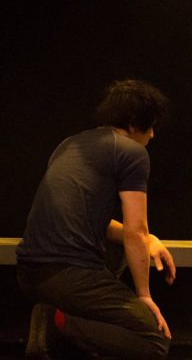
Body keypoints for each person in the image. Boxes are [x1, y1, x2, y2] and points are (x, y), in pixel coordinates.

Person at [17, 79, 176, 360]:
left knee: (117, 251)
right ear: (133, 122)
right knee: (154, 339)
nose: (152, 134)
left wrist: (149, 240)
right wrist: (144, 295)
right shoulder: (132, 152)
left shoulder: (70, 144)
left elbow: (91, 221)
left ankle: (59, 319)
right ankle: (57, 323)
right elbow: (135, 231)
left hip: (30, 274)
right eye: (150, 125)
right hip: (69, 276)